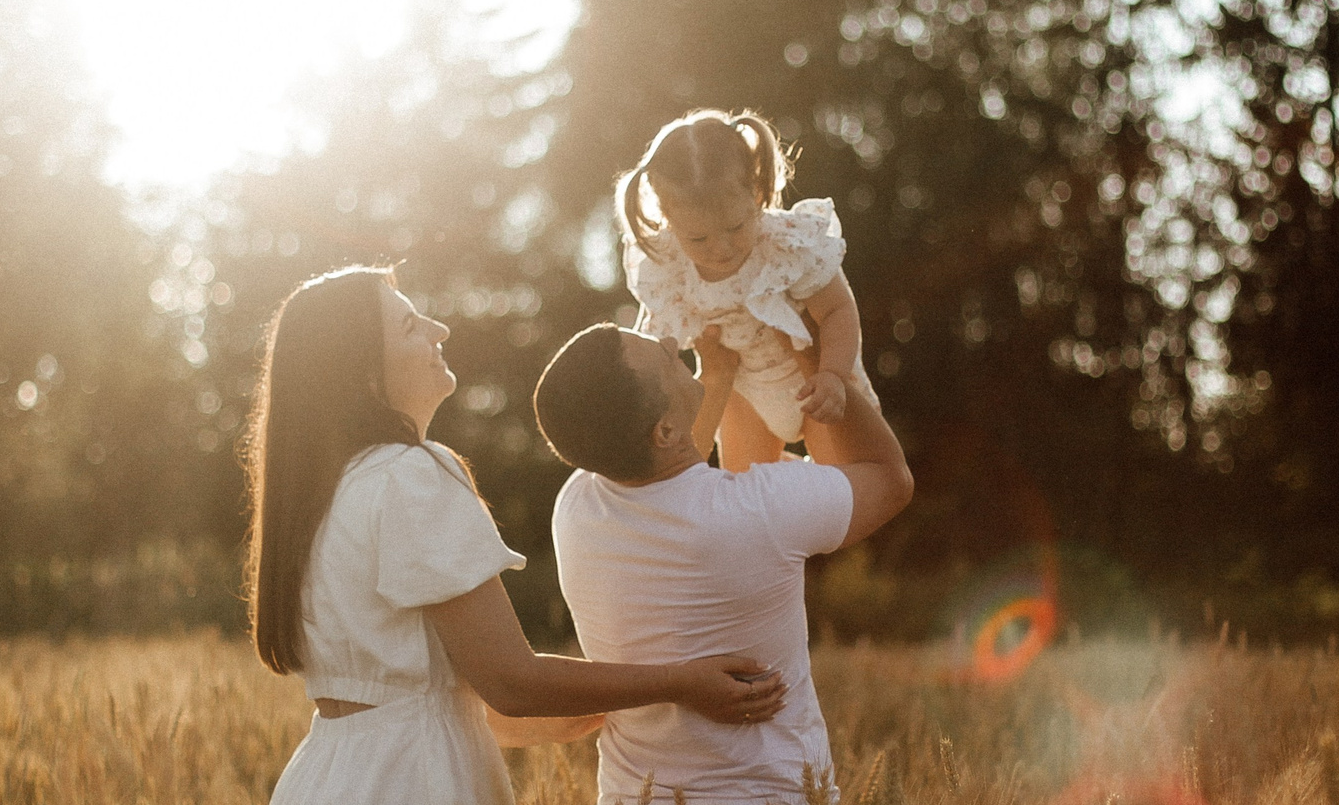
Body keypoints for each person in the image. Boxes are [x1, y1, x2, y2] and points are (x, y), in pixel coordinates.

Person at [247, 267, 788, 804]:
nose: (440, 330)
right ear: (365, 374)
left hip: (323, 778)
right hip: (412, 783)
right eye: (411, 327)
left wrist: (593, 705)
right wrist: (682, 683)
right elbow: (511, 683)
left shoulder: (323, 494)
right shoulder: (410, 474)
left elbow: (433, 698)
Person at [533, 321, 916, 804]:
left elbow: (671, 457)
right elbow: (889, 478)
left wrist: (715, 375)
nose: (671, 342)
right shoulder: (757, 512)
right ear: (664, 430)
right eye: (660, 354)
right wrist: (816, 360)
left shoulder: (576, 506)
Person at [615, 108, 875, 469]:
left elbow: (837, 310)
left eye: (735, 228)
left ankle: (807, 482)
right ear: (668, 220)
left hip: (812, 376)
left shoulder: (786, 245)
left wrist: (832, 374)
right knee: (740, 487)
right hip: (745, 389)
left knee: (842, 485)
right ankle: (784, 488)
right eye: (698, 238)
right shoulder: (668, 268)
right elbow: (658, 348)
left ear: (756, 192)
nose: (720, 249)